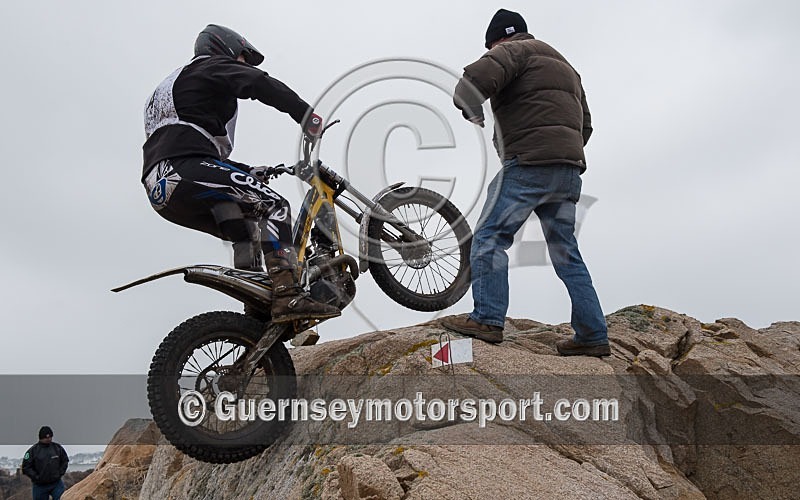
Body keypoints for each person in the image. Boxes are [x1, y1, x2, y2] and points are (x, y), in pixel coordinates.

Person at [142, 24, 339, 324]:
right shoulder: (208, 66)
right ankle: (287, 296)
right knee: (275, 206)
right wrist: (306, 115)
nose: (244, 65)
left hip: (162, 186)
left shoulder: (168, 90)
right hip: (183, 170)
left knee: (247, 231)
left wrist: (246, 171)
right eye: (243, 58)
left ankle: (255, 312)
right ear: (225, 49)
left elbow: (185, 141)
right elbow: (260, 84)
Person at [443, 9, 610, 357]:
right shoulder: (566, 67)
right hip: (567, 171)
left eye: (490, 46)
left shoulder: (511, 52)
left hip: (528, 165)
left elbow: (470, 83)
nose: (490, 51)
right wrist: (561, 152)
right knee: (566, 252)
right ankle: (592, 333)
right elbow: (587, 127)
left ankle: (487, 318)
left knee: (489, 237)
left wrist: (470, 108)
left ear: (497, 40)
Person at [21, 426, 69, 500]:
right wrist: (36, 477)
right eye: (46, 437)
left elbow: (65, 460)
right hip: (40, 486)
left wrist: (60, 473)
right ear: (41, 438)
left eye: (50, 437)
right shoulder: (32, 451)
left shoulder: (57, 448)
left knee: (62, 498)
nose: (48, 439)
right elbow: (26, 467)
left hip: (56, 483)